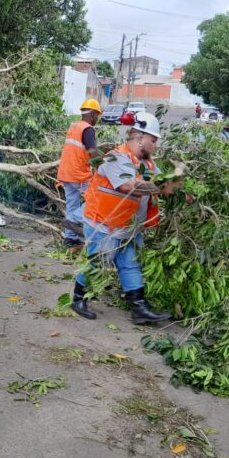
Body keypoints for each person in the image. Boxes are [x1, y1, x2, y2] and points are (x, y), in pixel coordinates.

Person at [69, 112, 177, 324]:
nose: (156, 146)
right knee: (99, 263)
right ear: (140, 139)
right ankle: (78, 299)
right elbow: (130, 186)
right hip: (104, 224)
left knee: (131, 265)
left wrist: (181, 185)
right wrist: (163, 185)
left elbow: (166, 185)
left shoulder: (147, 164)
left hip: (128, 227)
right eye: (153, 141)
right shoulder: (116, 158)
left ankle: (139, 308)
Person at [57, 99, 103, 246]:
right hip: (79, 175)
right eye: (97, 116)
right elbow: (91, 150)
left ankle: (70, 239)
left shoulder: (74, 126)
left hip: (65, 172)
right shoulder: (87, 128)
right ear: (92, 114)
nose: (97, 119)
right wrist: (103, 166)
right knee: (97, 199)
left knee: (72, 204)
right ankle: (73, 220)